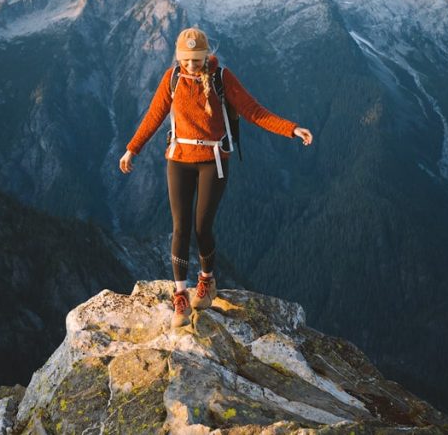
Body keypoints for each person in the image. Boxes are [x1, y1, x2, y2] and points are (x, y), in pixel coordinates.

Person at [119, 27, 313, 328]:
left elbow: (253, 111)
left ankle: (207, 280)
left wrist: (292, 128)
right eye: (187, 60)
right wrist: (132, 149)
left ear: (207, 55)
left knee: (201, 227)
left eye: (197, 59)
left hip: (213, 161)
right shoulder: (172, 79)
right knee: (180, 227)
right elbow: (154, 115)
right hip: (179, 159)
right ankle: (181, 294)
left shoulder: (222, 78)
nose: (192, 65)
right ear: (179, 57)